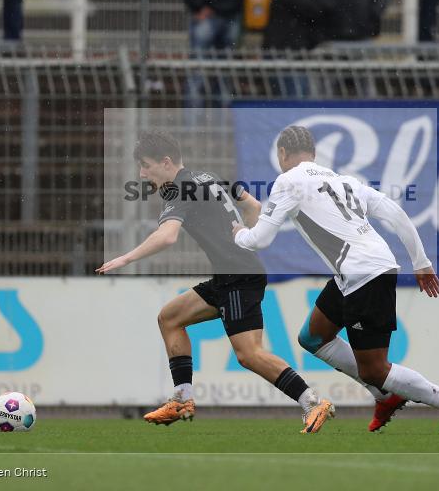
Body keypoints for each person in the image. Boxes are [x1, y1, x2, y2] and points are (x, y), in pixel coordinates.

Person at [233, 126, 439, 435]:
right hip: (357, 271)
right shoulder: (345, 181)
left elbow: (261, 239)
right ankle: (385, 395)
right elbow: (396, 214)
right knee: (312, 337)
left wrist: (239, 234)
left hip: (364, 272)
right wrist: (421, 262)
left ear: (282, 154)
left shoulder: (288, 181)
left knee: (375, 369)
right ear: (314, 153)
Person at [97, 131, 335, 433]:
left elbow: (167, 236)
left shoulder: (179, 188)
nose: (142, 174)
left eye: (146, 165)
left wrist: (125, 258)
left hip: (238, 276)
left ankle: (312, 402)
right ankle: (183, 398)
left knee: (249, 354)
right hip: (230, 274)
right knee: (170, 317)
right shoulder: (208, 177)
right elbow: (253, 207)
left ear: (166, 162)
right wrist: (243, 236)